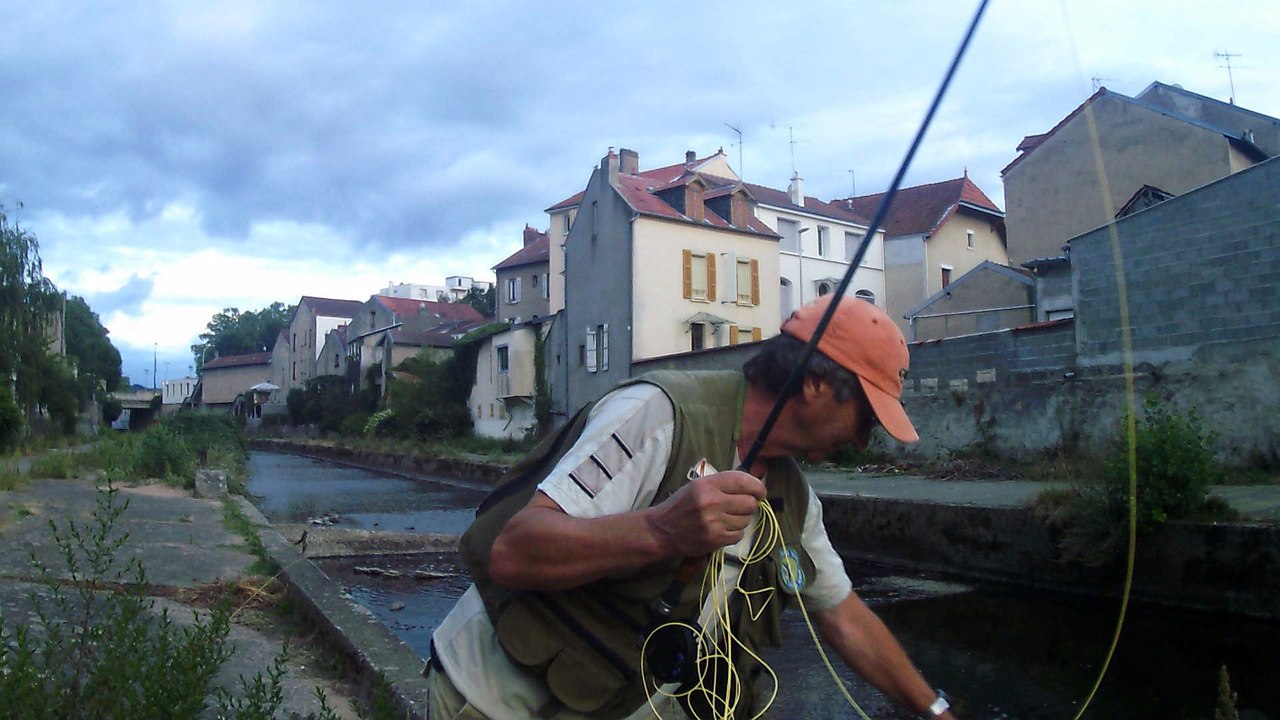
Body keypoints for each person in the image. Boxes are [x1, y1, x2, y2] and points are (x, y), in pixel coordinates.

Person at [428, 295, 955, 720]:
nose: (864, 442)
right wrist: (663, 530)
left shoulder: (793, 499)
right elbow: (516, 552)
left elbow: (845, 617)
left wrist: (933, 710)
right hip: (490, 700)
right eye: (866, 418)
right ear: (816, 385)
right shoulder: (655, 414)